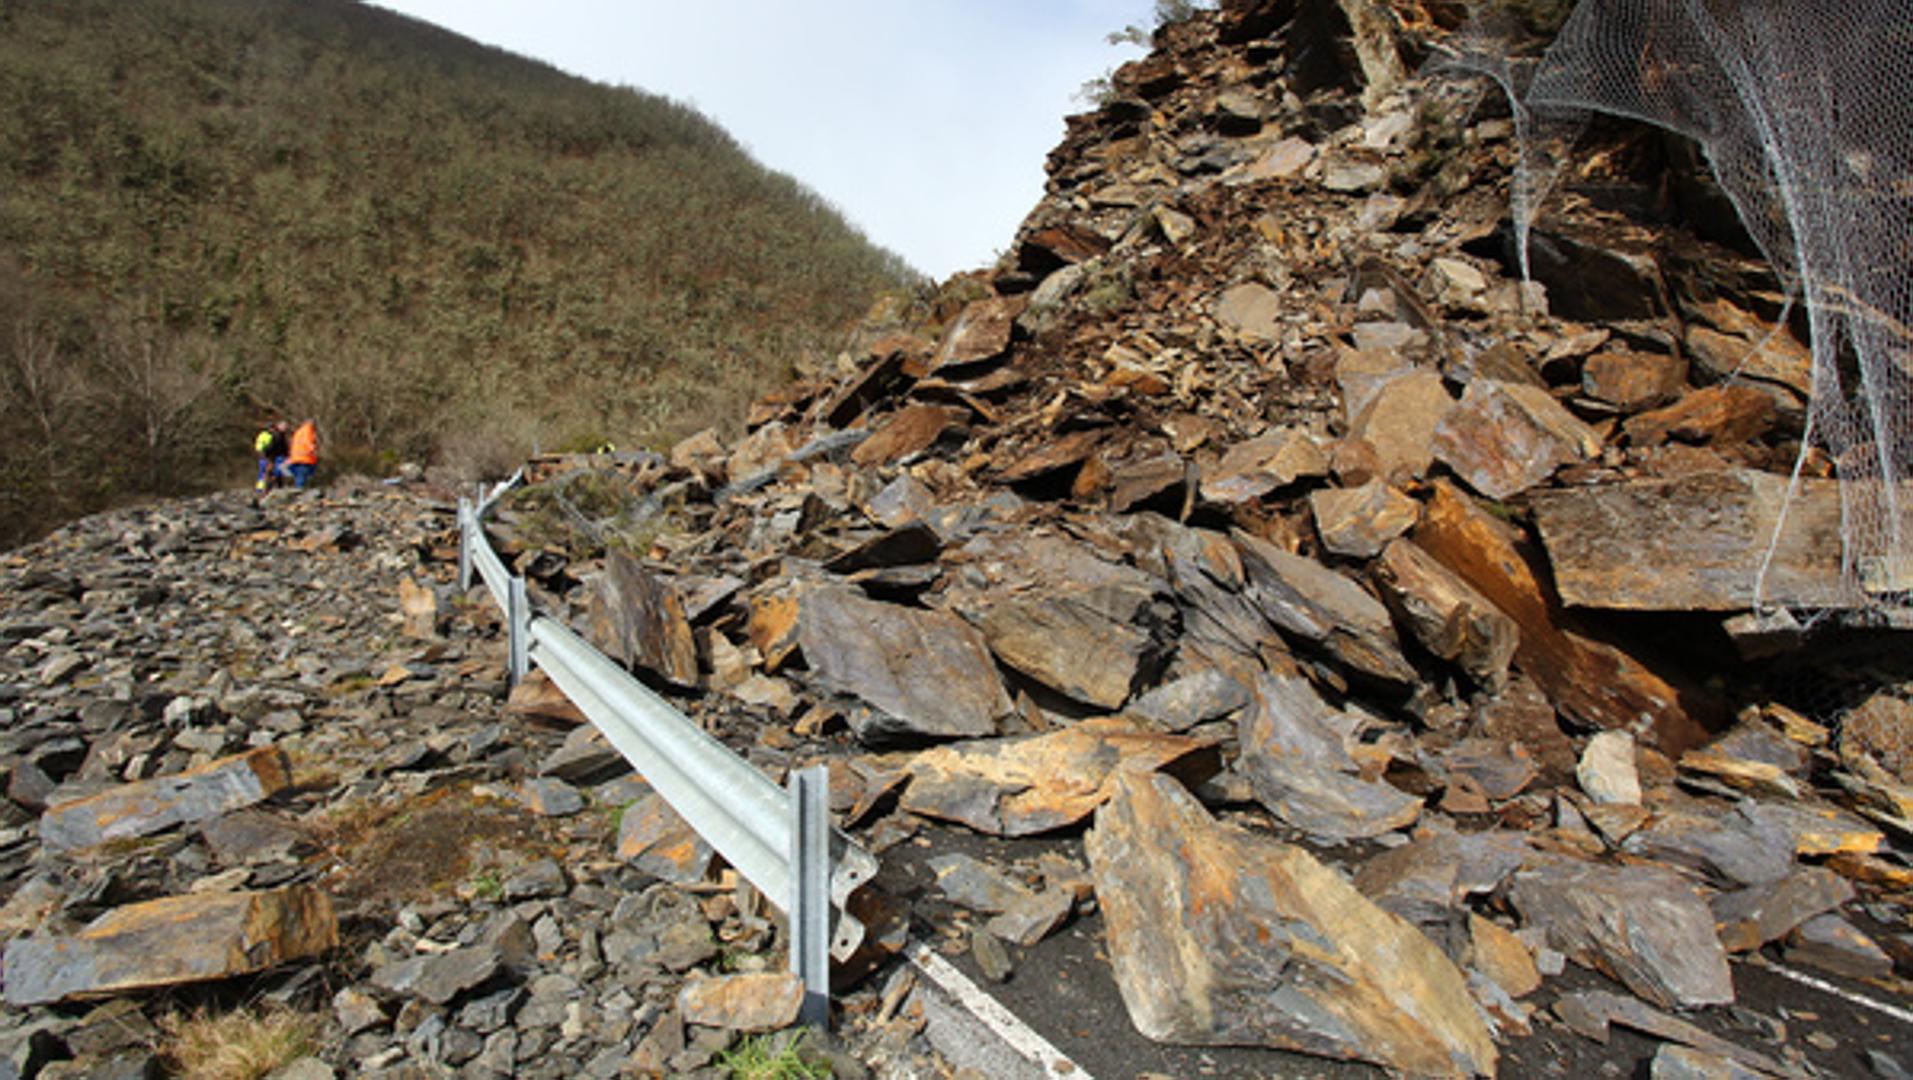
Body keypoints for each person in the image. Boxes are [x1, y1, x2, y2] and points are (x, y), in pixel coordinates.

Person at [254, 420, 289, 491]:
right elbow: (261, 447)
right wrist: (264, 455)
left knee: (269, 473)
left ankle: (265, 489)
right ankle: (261, 490)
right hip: (265, 457)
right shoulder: (265, 435)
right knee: (264, 473)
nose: (273, 429)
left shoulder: (272, 435)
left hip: (268, 456)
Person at [287, 418, 319, 489]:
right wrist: (313, 449)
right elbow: (307, 441)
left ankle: (297, 492)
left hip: (296, 458)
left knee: (299, 477)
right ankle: (299, 493)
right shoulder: (308, 430)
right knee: (302, 478)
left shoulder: (299, 431)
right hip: (304, 457)